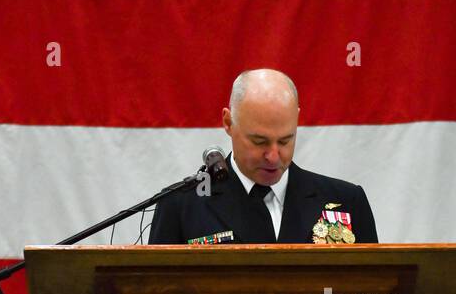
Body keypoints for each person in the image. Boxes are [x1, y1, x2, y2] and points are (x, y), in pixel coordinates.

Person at [149, 68, 378, 245]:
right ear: (228, 123)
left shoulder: (348, 202)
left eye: (285, 140)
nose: (273, 156)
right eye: (260, 142)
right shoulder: (181, 205)